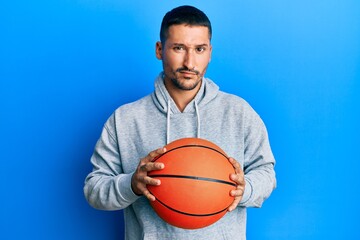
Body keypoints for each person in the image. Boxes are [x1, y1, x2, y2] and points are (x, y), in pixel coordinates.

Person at [84, 5, 276, 240]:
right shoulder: (125, 119)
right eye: (178, 48)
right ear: (159, 49)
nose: (189, 62)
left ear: (210, 52)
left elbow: (266, 173)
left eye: (199, 49)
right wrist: (132, 184)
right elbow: (94, 189)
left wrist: (245, 188)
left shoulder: (238, 112)